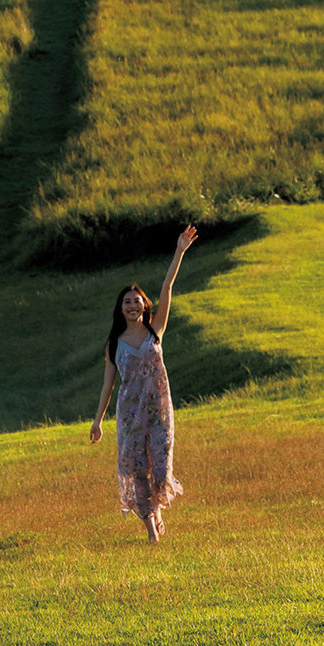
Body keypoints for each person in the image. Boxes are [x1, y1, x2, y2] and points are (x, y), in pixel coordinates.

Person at [90, 226, 198, 544]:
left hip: (159, 410)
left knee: (160, 468)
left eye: (137, 302)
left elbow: (167, 287)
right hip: (129, 414)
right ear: (120, 309)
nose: (133, 306)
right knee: (138, 469)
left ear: (144, 306)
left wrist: (179, 250)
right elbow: (108, 386)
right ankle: (151, 531)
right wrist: (97, 422)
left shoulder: (155, 332)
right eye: (127, 302)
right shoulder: (114, 343)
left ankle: (157, 509)